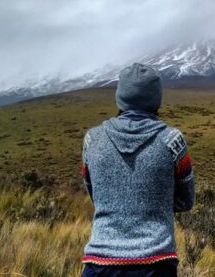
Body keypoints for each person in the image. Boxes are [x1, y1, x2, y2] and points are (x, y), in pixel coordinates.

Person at [80, 63, 195, 277]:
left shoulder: (92, 139)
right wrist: (155, 203)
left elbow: (95, 194)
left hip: (99, 263)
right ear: (156, 99)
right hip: (155, 262)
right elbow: (186, 201)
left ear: (120, 97)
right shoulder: (172, 141)